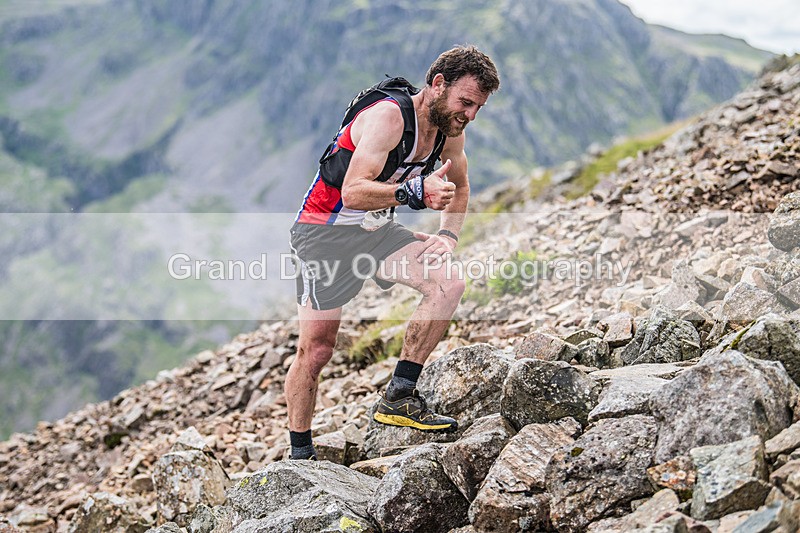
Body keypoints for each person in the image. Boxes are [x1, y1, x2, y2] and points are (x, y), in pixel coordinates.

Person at [285, 45, 500, 460]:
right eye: (466, 102)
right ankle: (301, 454)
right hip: (323, 233)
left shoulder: (450, 131)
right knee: (318, 348)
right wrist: (414, 191)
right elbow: (352, 189)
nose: (470, 115)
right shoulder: (387, 117)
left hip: (375, 230)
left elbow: (461, 187)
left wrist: (447, 237)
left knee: (449, 282)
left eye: (478, 108)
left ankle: (398, 396)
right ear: (438, 84)